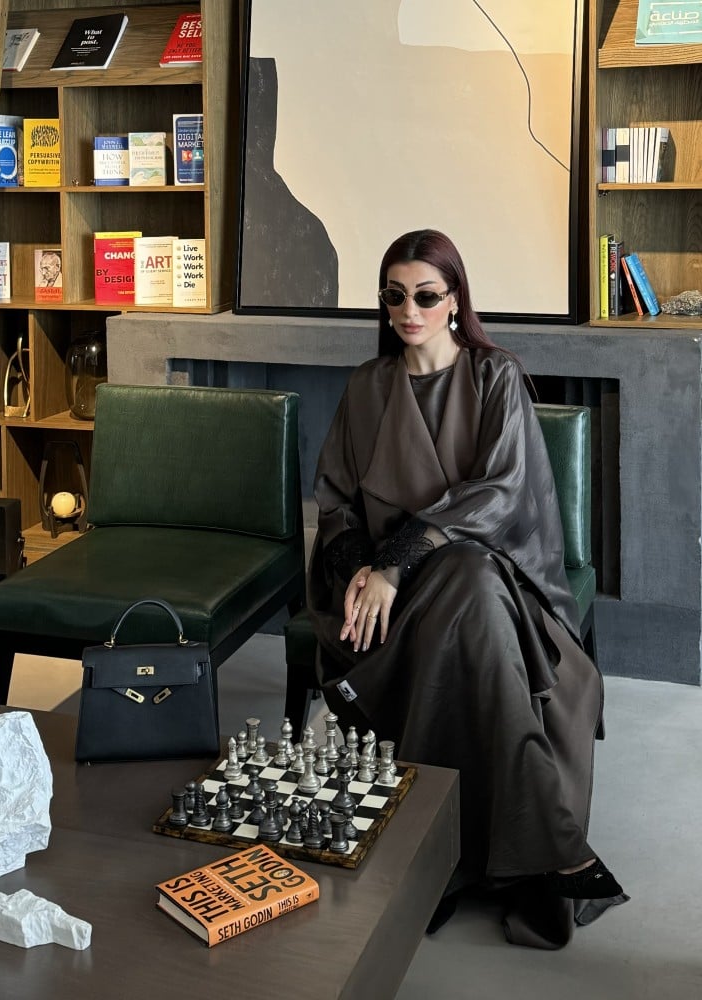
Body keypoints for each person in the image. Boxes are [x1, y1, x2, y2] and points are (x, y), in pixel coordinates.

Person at [307, 229, 628, 949]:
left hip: (489, 576)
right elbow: (335, 503)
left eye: (426, 296)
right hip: (394, 594)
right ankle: (552, 852)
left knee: (473, 576)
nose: (408, 311)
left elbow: (500, 494)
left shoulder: (494, 376)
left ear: (455, 300)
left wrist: (397, 561)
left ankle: (438, 868)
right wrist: (362, 568)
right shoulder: (366, 387)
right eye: (394, 296)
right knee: (472, 603)